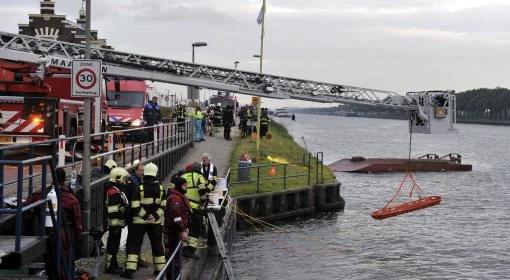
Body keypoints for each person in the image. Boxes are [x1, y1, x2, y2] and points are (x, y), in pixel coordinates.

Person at [26, 168, 83, 279]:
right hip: (65, 235)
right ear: (64, 178)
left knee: (51, 264)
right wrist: (78, 237)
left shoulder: (43, 194)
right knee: (65, 264)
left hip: (48, 234)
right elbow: (78, 221)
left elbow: (28, 204)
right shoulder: (70, 198)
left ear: (53, 178)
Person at [122, 163, 167, 279]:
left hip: (139, 223)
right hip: (155, 223)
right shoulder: (161, 189)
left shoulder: (140, 188)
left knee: (134, 245)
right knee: (157, 246)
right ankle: (160, 271)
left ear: (145, 173)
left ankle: (130, 271)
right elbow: (163, 206)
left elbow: (134, 205)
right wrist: (154, 217)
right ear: (156, 174)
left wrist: (146, 216)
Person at [164, 177, 191, 280]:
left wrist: (184, 228)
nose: (186, 188)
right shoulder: (176, 199)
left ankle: (175, 276)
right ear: (180, 186)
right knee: (173, 258)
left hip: (174, 231)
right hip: (173, 232)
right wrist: (183, 230)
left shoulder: (177, 196)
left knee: (174, 257)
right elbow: (177, 217)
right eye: (184, 186)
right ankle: (173, 277)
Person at [104, 167, 130, 274]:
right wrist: (115, 226)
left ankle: (113, 265)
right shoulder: (114, 192)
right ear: (118, 179)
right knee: (112, 246)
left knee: (113, 245)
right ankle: (110, 266)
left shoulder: (115, 190)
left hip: (117, 224)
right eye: (124, 179)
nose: (125, 181)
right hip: (115, 225)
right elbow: (113, 210)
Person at [181, 162, 209, 258]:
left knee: (185, 227)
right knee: (195, 228)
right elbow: (202, 191)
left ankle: (184, 248)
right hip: (195, 207)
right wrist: (204, 201)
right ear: (200, 169)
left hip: (183, 205)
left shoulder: (183, 175)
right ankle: (190, 250)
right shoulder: (199, 177)